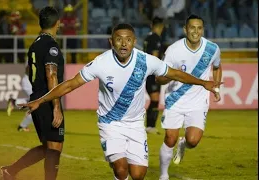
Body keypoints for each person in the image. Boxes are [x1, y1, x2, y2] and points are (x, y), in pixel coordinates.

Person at [18, 23, 220, 180]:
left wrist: (203, 82)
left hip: (135, 125)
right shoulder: (101, 63)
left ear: (134, 41)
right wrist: (41, 100)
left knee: (138, 174)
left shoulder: (146, 60)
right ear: (111, 41)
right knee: (122, 169)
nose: (124, 44)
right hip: (110, 124)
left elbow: (175, 73)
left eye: (128, 40)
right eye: (119, 39)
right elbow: (70, 84)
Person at [0, 6, 64, 180]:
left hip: (37, 97)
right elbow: (51, 74)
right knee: (54, 147)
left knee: (48, 146)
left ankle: (10, 171)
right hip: (46, 99)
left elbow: (31, 71)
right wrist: (56, 106)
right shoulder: (51, 46)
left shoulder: (34, 44)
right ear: (56, 23)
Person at [156, 14, 222, 180]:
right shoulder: (174, 50)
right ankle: (163, 175)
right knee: (170, 139)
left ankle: (184, 143)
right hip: (175, 100)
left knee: (193, 141)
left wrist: (216, 87)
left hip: (198, 102)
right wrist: (174, 75)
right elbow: (160, 77)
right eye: (192, 28)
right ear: (185, 29)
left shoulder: (212, 49)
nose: (196, 31)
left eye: (199, 28)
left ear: (203, 30)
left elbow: (217, 66)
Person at [143, 16, 165, 134]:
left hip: (148, 72)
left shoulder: (148, 37)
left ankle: (149, 126)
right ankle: (150, 126)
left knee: (154, 99)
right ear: (160, 27)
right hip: (153, 73)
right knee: (155, 99)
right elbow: (155, 55)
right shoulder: (156, 38)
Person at [7, 61, 33, 132]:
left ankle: (14, 102)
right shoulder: (35, 55)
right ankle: (22, 126)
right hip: (28, 81)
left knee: (35, 103)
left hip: (28, 81)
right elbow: (29, 68)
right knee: (37, 105)